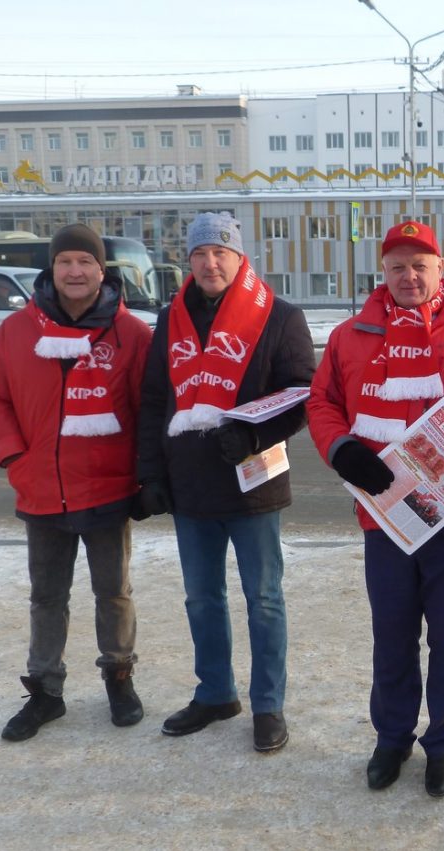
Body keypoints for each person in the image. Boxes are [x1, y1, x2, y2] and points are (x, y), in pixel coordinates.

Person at [306, 220, 444, 797]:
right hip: (385, 516)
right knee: (393, 634)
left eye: (419, 265)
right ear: (383, 273)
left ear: (440, 269)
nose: (409, 276)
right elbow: (323, 401)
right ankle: (392, 737)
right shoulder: (352, 334)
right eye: (397, 266)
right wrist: (343, 450)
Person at [137, 212, 315, 753]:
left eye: (221, 252)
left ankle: (267, 704)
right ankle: (216, 693)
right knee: (201, 598)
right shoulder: (171, 319)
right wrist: (150, 473)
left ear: (240, 258)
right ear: (187, 261)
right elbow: (152, 399)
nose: (211, 262)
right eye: (200, 253)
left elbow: (301, 393)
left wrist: (253, 435)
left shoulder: (279, 316)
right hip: (190, 484)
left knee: (263, 598)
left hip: (252, 483)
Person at [0, 223, 153, 741]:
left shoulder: (131, 335)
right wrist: (14, 455)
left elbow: (148, 411)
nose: (75, 271)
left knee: (113, 592)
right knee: (47, 596)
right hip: (41, 488)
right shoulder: (16, 332)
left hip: (107, 487)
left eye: (85, 262)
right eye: (65, 262)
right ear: (51, 270)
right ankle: (46, 691)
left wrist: (146, 476)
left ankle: (119, 676)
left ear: (103, 270)